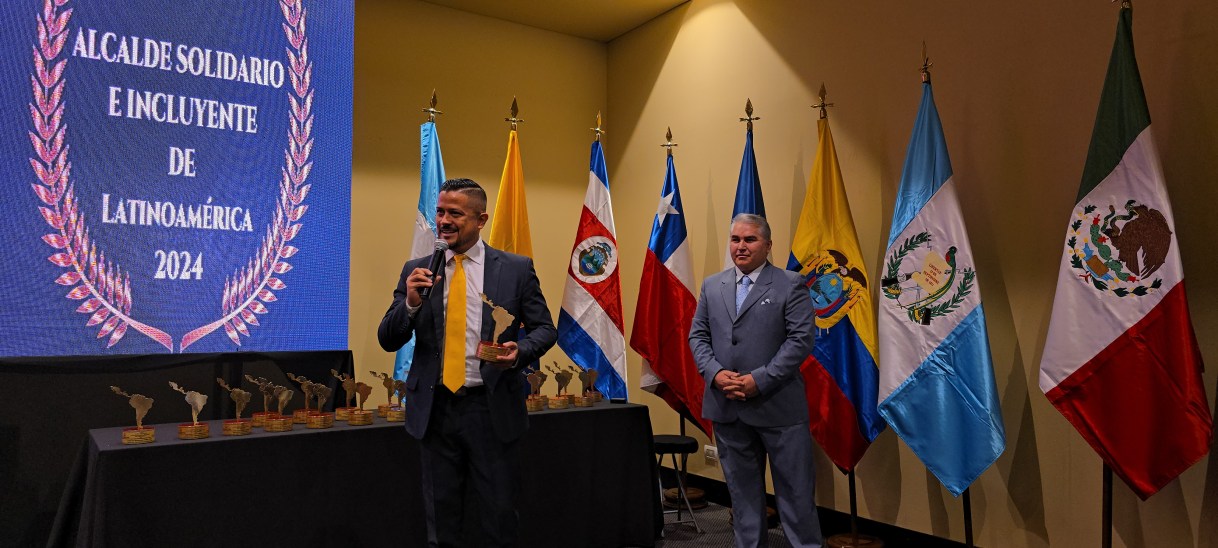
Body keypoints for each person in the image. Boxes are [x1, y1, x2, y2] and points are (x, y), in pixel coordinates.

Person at [379, 178, 557, 547]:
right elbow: (388, 338)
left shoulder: (516, 269)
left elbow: (544, 329)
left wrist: (519, 353)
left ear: (481, 219)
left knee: (499, 515)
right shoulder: (418, 269)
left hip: (490, 410)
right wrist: (410, 303)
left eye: (455, 213)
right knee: (441, 520)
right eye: (440, 211)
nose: (444, 220)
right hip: (435, 410)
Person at [689, 213, 823, 548]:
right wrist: (716, 373)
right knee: (743, 499)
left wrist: (758, 380)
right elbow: (698, 337)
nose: (741, 247)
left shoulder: (791, 284)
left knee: (795, 497)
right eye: (735, 240)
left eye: (750, 240)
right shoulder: (712, 285)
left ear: (767, 245)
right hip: (727, 408)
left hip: (778, 408)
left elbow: (800, 341)